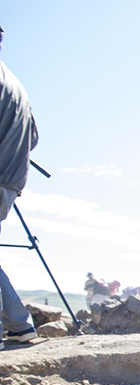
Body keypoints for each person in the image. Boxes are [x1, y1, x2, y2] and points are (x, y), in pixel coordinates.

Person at [0, 26, 39, 350]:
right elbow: (34, 137)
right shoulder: (15, 84)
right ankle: (19, 324)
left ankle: (19, 323)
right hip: (10, 181)